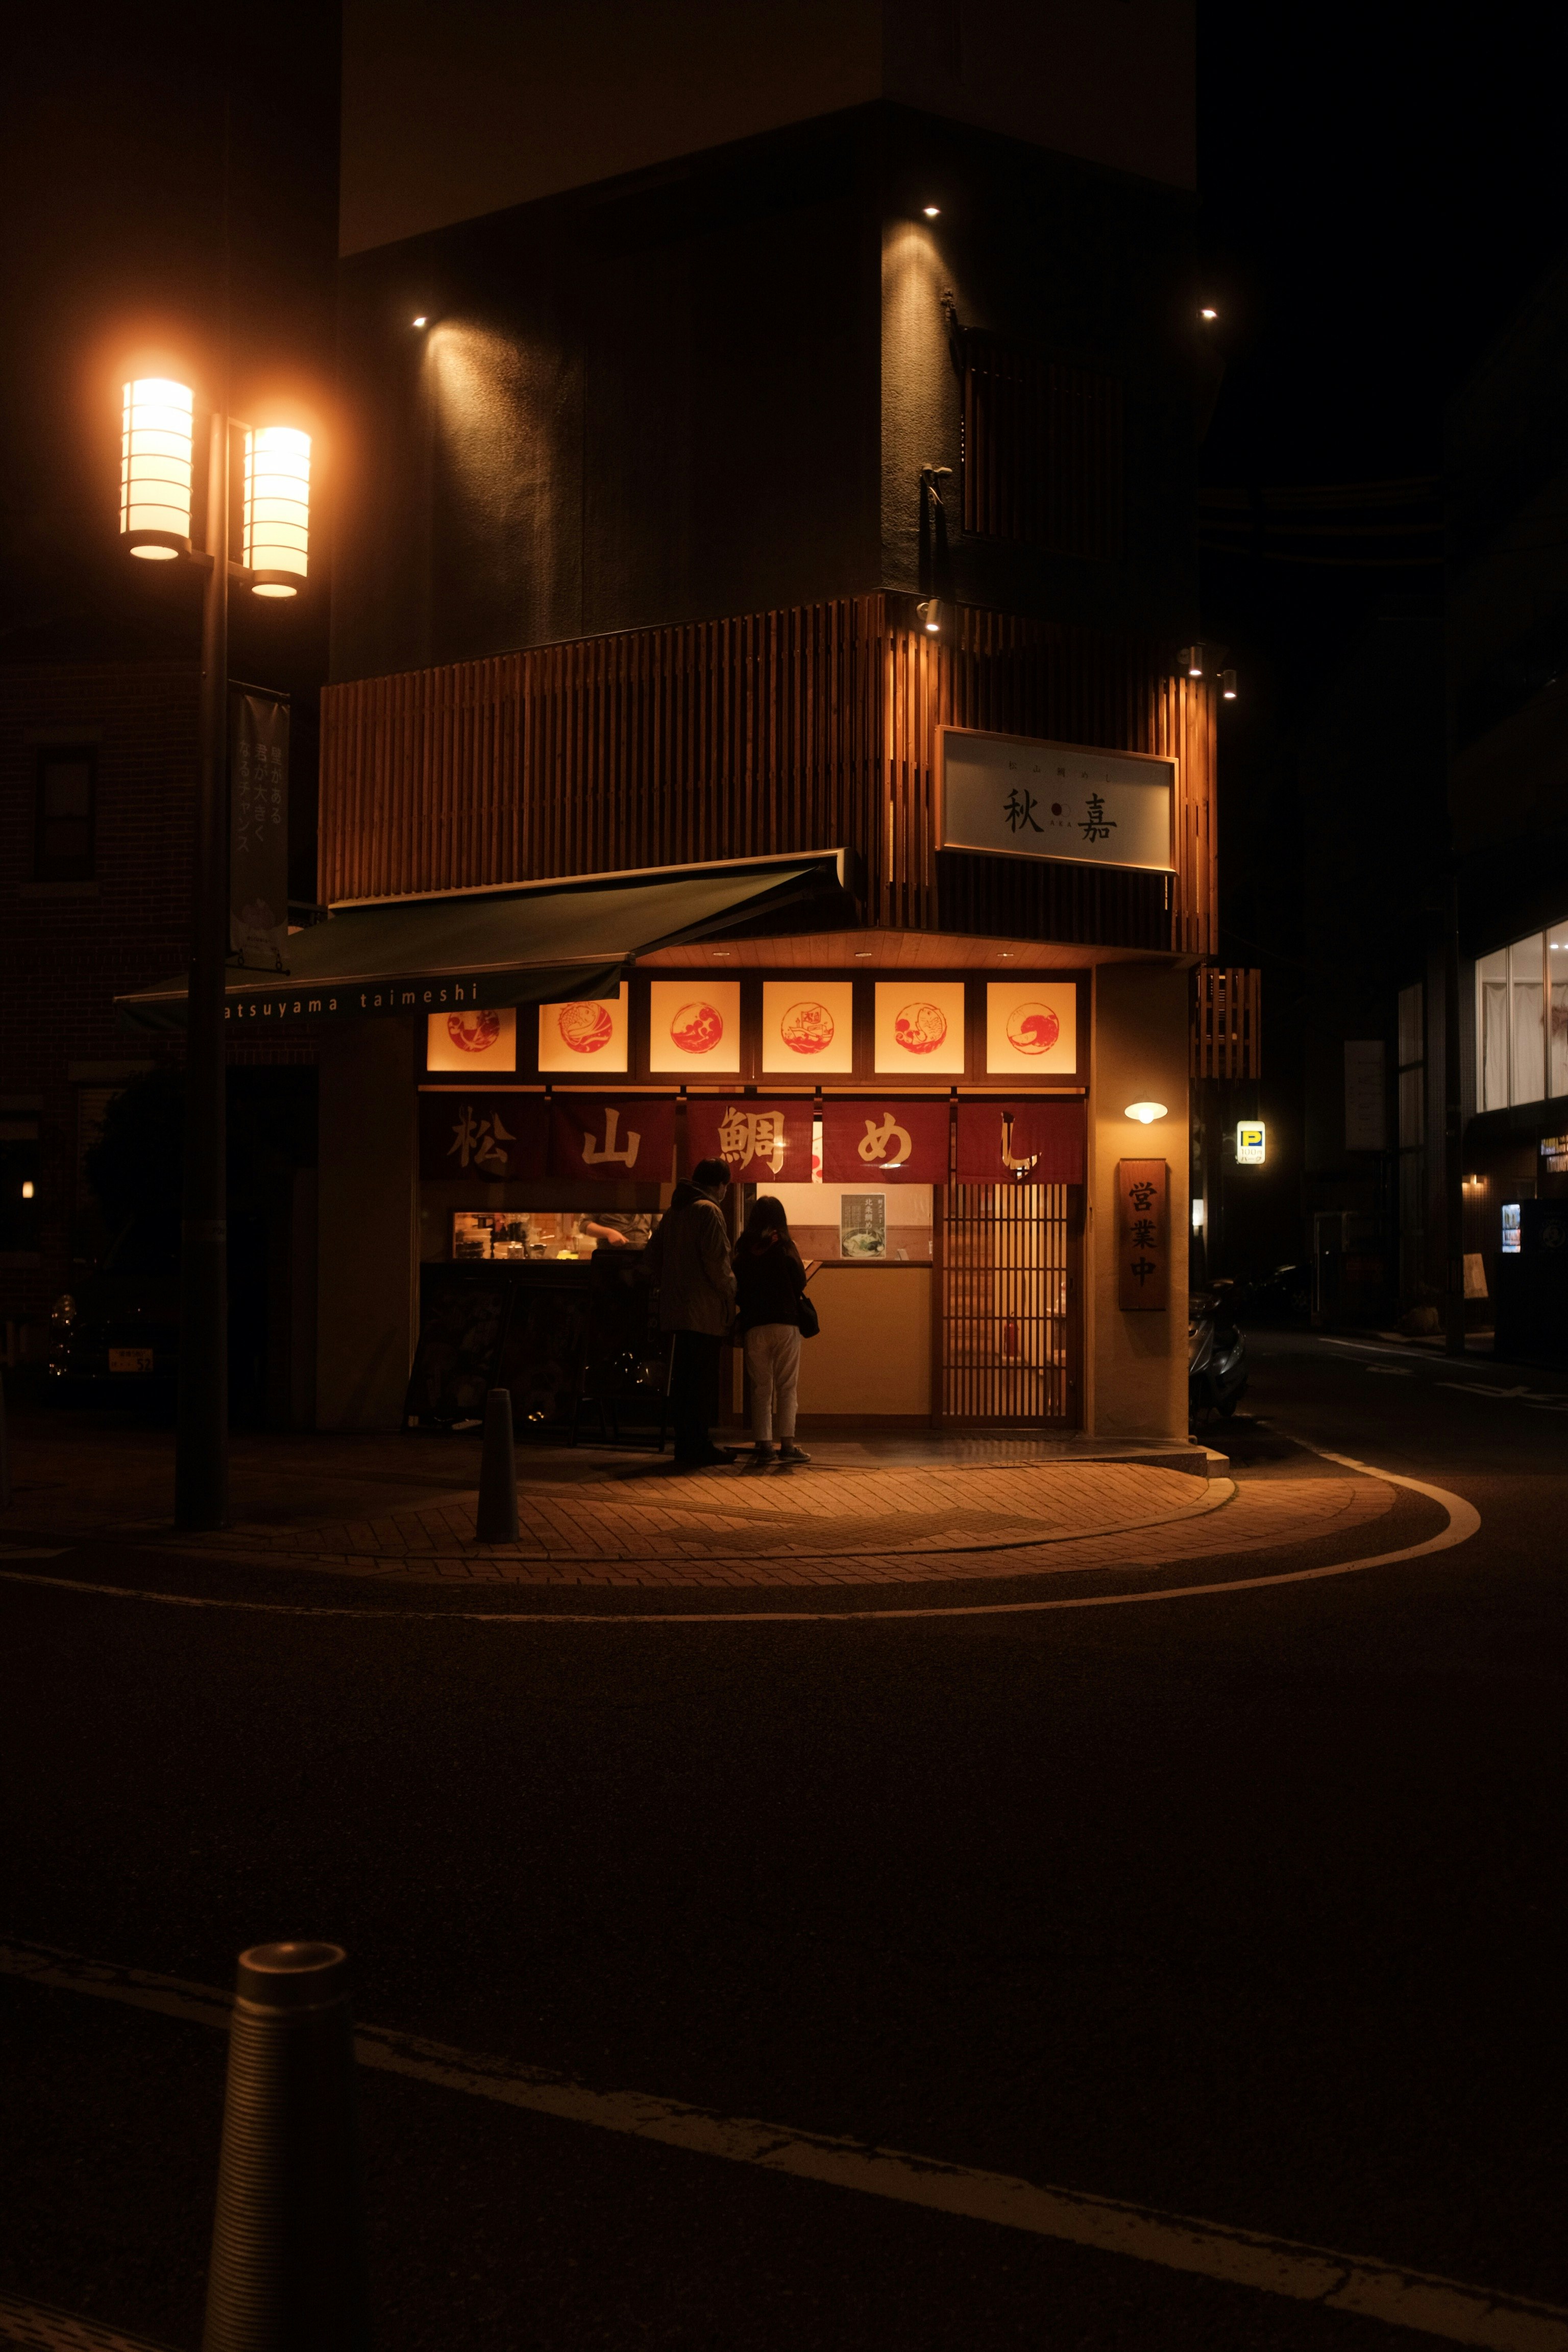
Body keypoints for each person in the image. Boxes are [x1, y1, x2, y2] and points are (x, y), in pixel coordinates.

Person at [644, 1157, 739, 1467]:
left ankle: (686, 1445)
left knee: (684, 1382)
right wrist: (731, 1291)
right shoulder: (709, 1211)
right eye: (726, 1185)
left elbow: (652, 1255)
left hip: (676, 1311)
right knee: (702, 1383)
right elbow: (717, 1263)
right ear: (719, 1184)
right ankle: (699, 1446)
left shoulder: (675, 1212)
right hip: (704, 1313)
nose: (726, 1191)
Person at [732, 1195, 811, 1466]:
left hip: (755, 1324)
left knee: (760, 1388)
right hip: (786, 1322)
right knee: (787, 1386)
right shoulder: (787, 1246)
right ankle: (787, 1445)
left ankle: (765, 1446)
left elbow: (736, 1289)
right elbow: (800, 1281)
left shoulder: (743, 1251)